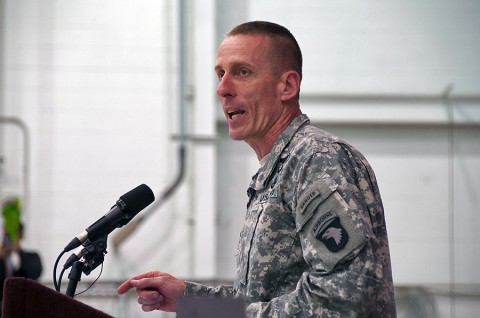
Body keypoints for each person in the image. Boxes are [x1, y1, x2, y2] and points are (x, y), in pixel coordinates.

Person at [118, 21, 397, 317]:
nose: (222, 89)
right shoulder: (276, 170)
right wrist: (191, 299)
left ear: (287, 86)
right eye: (220, 74)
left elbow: (344, 298)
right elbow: (260, 298)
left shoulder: (315, 158)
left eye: (242, 72)